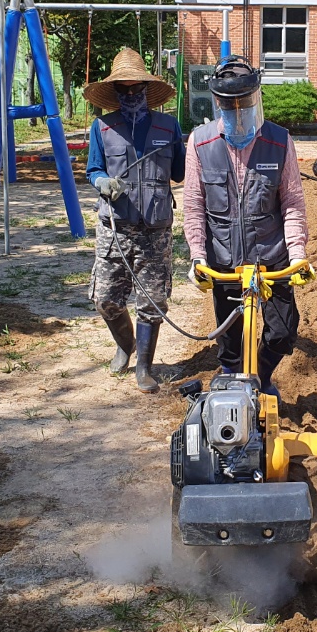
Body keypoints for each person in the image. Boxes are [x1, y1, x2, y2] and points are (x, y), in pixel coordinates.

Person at [182, 55, 309, 401]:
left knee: (283, 331)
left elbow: (293, 202)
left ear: (256, 98)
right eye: (229, 104)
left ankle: (261, 376)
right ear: (217, 102)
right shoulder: (200, 142)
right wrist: (197, 257)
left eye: (245, 103)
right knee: (230, 341)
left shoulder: (279, 141)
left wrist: (297, 255)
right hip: (223, 258)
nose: (238, 112)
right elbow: (194, 205)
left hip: (271, 256)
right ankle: (230, 383)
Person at [84, 47, 185, 393]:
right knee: (106, 298)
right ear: (114, 93)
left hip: (155, 231)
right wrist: (102, 183)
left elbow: (181, 172)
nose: (130, 95)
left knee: (152, 301)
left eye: (136, 88)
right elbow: (93, 169)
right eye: (123, 90)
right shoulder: (102, 127)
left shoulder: (168, 126)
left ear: (146, 89)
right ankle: (125, 345)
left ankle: (144, 366)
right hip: (114, 228)